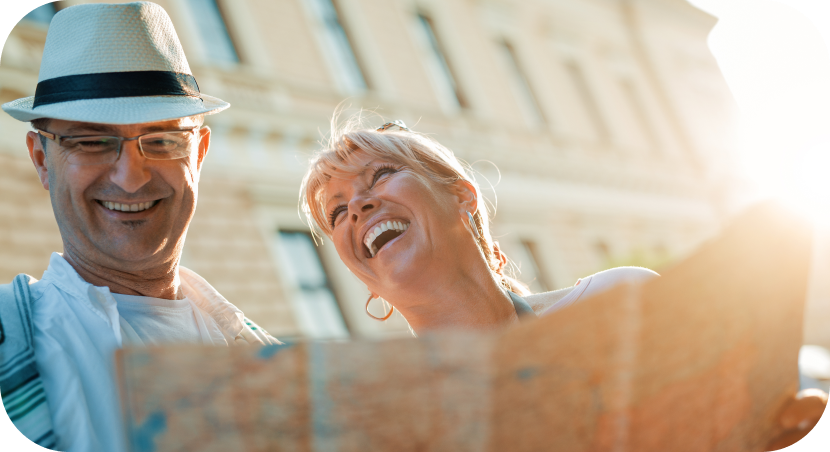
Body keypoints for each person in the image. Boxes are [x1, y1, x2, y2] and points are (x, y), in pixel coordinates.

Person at [299, 118, 830, 447]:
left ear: (462, 196)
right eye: (338, 211)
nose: (359, 207)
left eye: (380, 176)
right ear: (364, 278)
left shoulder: (624, 303)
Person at [0, 3, 278, 451]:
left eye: (163, 140)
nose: (131, 177)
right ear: (41, 159)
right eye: (90, 140)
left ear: (199, 154)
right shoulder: (7, 340)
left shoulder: (269, 361)